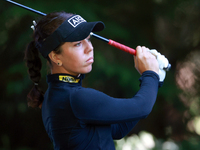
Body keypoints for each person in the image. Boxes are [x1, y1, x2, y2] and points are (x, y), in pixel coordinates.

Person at [25, 11, 162, 150]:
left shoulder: (58, 94)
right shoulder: (75, 98)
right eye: (78, 44)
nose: (90, 48)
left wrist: (156, 79)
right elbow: (142, 107)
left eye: (88, 39)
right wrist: (151, 74)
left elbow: (118, 129)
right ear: (55, 57)